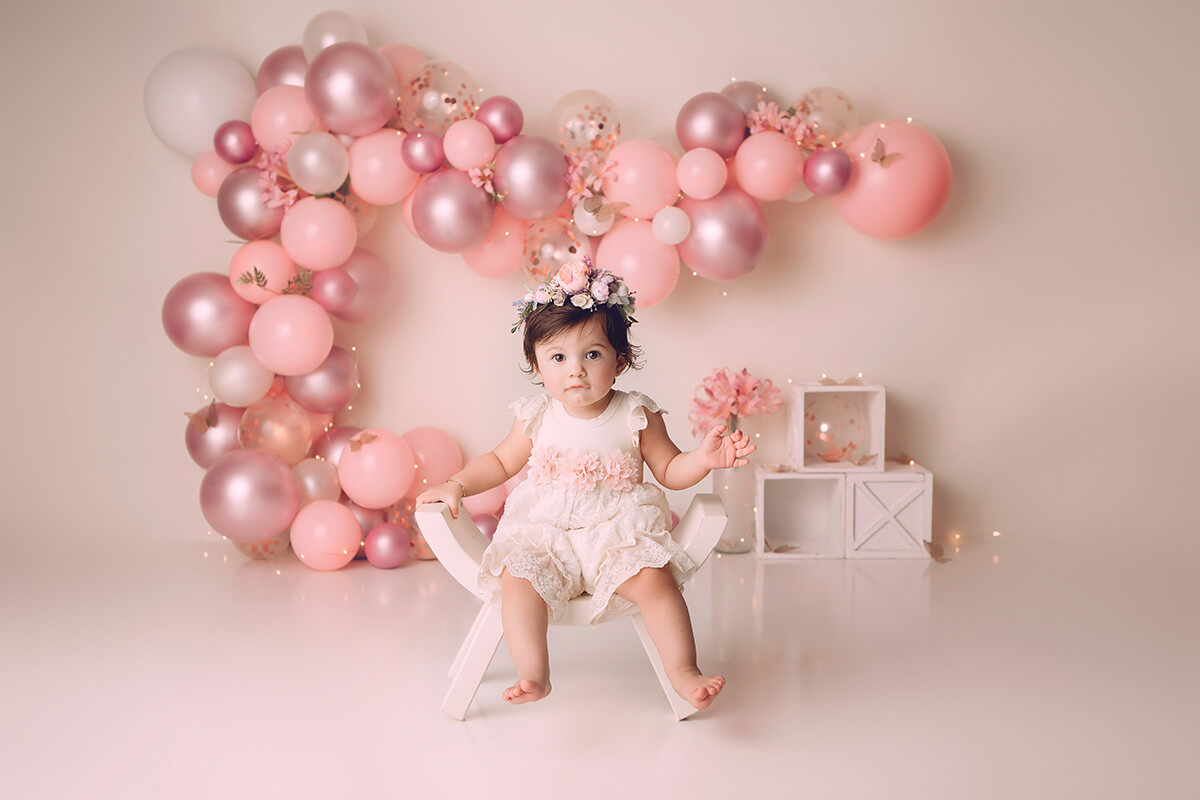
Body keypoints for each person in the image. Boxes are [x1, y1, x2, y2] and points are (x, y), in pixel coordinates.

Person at [415, 257, 754, 711]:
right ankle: (534, 671)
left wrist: (703, 458)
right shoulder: (536, 415)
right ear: (536, 365)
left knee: (655, 581)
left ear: (620, 360)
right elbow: (498, 461)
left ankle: (684, 670)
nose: (575, 370)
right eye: (558, 357)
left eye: (591, 354)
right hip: (547, 532)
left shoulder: (636, 413)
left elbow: (670, 470)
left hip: (617, 530)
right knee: (518, 579)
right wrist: (457, 483)